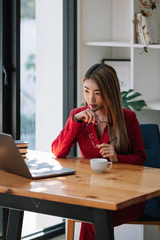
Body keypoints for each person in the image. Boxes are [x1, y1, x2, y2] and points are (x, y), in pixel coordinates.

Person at [51, 63, 147, 239]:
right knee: (93, 212)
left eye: (97, 93)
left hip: (125, 196)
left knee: (93, 216)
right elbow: (58, 151)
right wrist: (75, 121)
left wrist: (118, 158)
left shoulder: (128, 119)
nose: (90, 99)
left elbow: (140, 158)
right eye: (87, 91)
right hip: (91, 193)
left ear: (109, 93)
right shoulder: (79, 116)